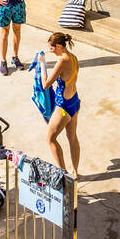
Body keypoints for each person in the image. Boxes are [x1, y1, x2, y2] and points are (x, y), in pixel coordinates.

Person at [37, 33, 81, 179]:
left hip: (64, 107)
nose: (51, 51)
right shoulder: (74, 57)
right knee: (72, 138)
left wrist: (42, 64)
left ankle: (63, 175)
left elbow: (45, 84)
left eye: (52, 48)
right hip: (74, 102)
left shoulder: (62, 61)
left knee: (50, 139)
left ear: (59, 46)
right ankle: (75, 171)